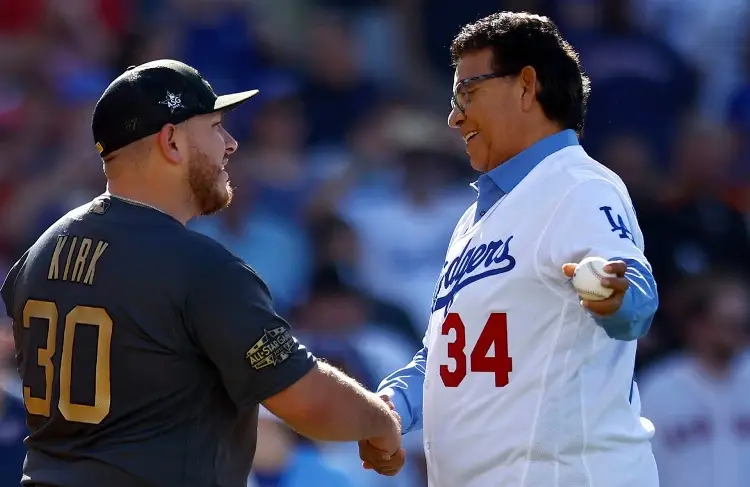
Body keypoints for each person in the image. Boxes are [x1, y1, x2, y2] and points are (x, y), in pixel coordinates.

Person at [0, 59, 403, 487]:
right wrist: (382, 423)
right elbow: (308, 402)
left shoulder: (41, 250)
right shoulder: (202, 268)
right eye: (214, 127)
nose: (230, 144)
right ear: (171, 141)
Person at [358, 11, 660, 487]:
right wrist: (392, 407)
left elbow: (634, 300)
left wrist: (611, 290)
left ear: (525, 86)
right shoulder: (476, 217)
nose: (454, 117)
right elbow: (447, 354)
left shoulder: (578, 185)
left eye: (467, 93)